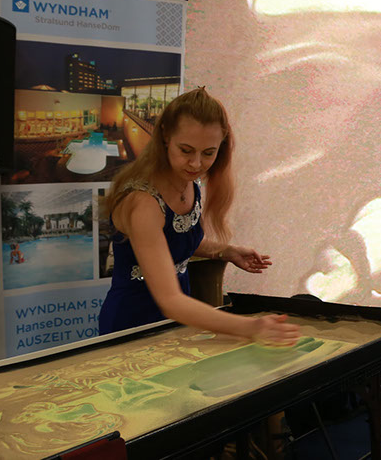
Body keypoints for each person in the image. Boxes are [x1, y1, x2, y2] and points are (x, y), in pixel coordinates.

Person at [98, 87, 300, 345]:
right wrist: (250, 326)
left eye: (208, 153)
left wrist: (225, 251)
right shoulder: (142, 203)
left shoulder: (190, 182)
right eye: (186, 150)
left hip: (178, 319)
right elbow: (170, 300)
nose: (196, 164)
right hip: (133, 324)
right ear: (165, 137)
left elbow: (171, 243)